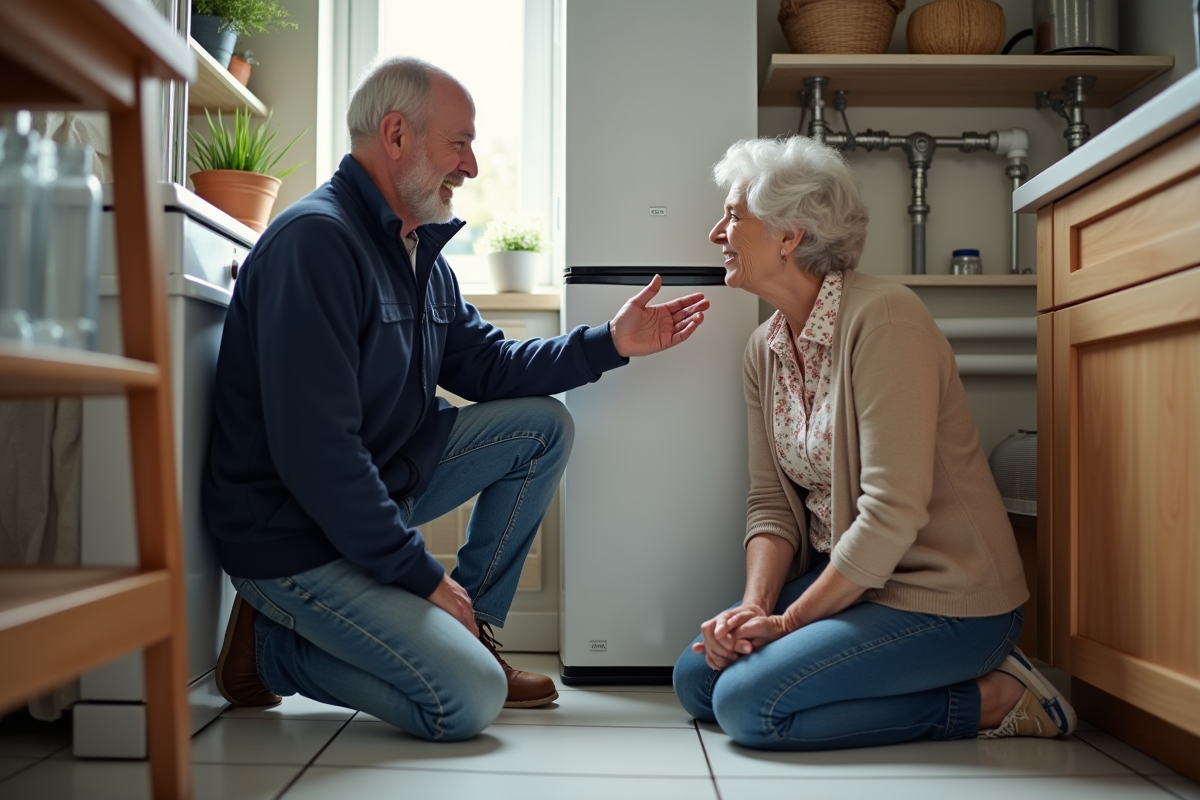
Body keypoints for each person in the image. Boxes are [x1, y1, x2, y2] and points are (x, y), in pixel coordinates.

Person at [202, 56, 709, 742]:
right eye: (460, 143)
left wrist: (610, 343)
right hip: (290, 533)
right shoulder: (315, 244)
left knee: (542, 427)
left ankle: (478, 634)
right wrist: (421, 577)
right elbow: (318, 455)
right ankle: (272, 650)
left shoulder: (418, 253)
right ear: (396, 135)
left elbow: (491, 366)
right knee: (467, 700)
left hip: (368, 493)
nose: (471, 165)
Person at [672, 136, 1076, 751]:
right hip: (853, 585)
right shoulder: (764, 349)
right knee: (697, 680)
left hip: (946, 600)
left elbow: (892, 510)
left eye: (733, 216)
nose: (715, 233)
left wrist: (789, 621)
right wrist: (755, 607)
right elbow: (771, 504)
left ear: (789, 236)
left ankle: (997, 697)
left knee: (749, 707)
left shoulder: (886, 319)